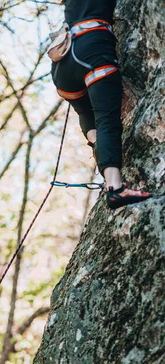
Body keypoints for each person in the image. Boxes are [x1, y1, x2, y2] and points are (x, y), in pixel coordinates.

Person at [51, 0, 152, 209]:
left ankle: (96, 141)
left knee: (87, 116)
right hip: (91, 46)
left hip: (62, 61)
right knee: (107, 119)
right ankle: (115, 188)